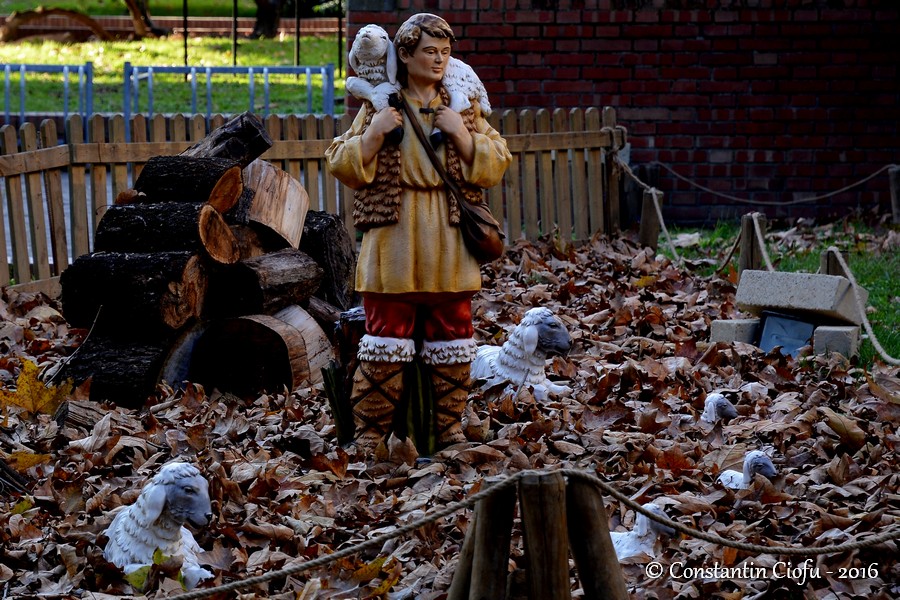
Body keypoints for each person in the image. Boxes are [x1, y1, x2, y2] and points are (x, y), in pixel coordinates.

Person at [325, 13, 512, 453]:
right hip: (394, 235)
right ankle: (371, 435)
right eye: (430, 51)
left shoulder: (462, 105)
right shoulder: (382, 103)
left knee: (453, 335)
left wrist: (461, 135)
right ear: (405, 55)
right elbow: (338, 160)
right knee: (384, 338)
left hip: (449, 235)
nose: (439, 60)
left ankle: (447, 429)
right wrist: (373, 135)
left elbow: (498, 159)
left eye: (445, 52)